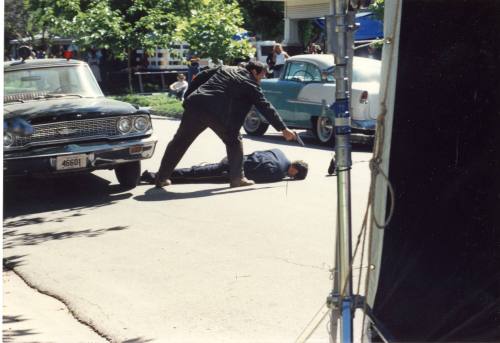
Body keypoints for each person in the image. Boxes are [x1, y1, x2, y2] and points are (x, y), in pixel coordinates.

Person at [154, 61, 297, 189]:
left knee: (179, 142)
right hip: (216, 112)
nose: (263, 79)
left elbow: (201, 75)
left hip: (196, 105)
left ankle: (161, 178)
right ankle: (237, 178)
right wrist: (283, 129)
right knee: (234, 141)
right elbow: (266, 107)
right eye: (263, 75)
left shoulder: (225, 68)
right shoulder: (250, 84)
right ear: (254, 72)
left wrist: (189, 97)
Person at [142, 149, 308, 184]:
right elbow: (254, 177)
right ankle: (154, 176)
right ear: (294, 169)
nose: (290, 177)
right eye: (293, 176)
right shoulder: (278, 173)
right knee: (196, 175)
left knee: (196, 170)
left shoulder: (278, 152)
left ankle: (158, 174)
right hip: (230, 170)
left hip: (234, 156)